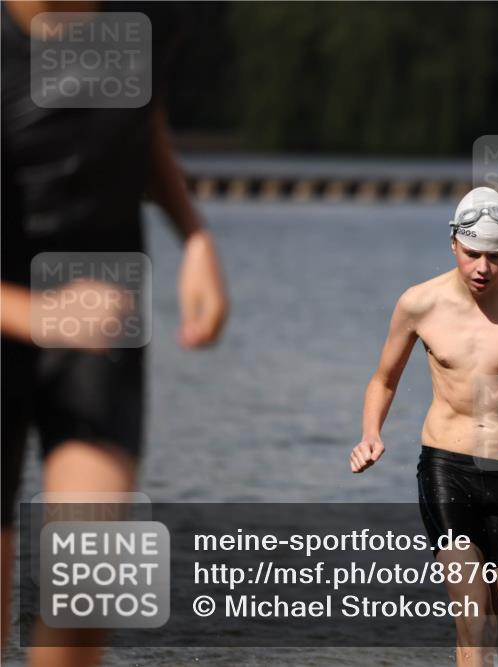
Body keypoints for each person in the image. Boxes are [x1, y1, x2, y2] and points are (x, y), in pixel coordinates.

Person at [1, 3, 228, 664]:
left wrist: (194, 235)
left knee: (92, 573)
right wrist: (37, 315)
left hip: (97, 313)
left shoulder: (149, 18)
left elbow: (136, 115)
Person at [350, 186, 498, 667]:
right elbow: (383, 379)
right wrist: (371, 433)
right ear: (453, 244)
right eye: (473, 254)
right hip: (446, 466)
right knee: (473, 624)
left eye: (495, 257)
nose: (482, 268)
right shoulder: (419, 304)